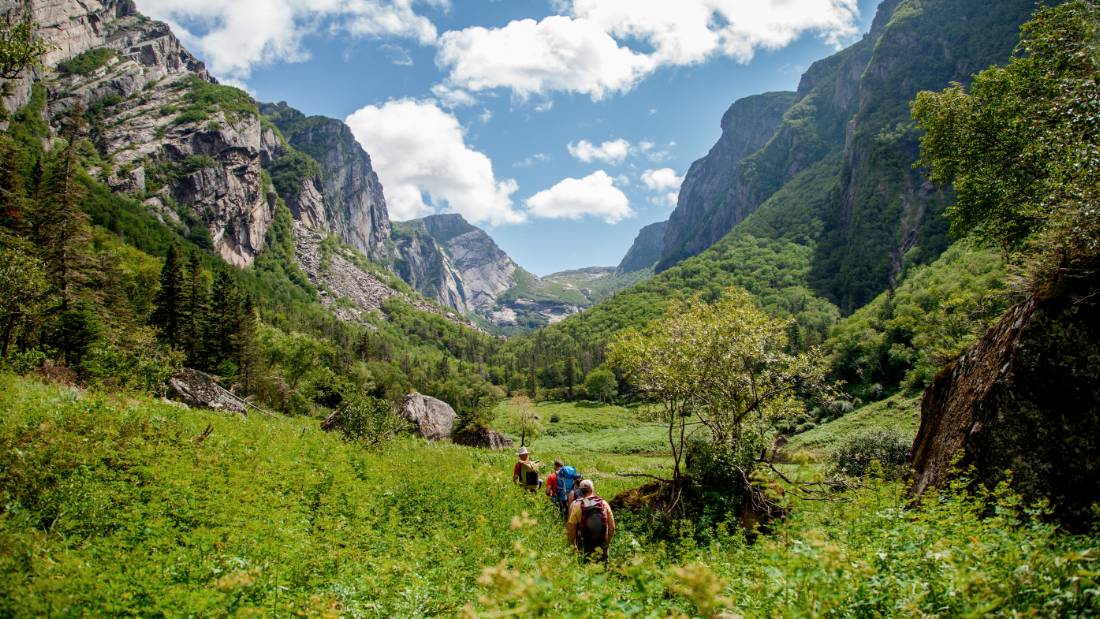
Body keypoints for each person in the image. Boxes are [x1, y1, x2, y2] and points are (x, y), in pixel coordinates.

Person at [566, 479, 615, 563]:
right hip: (602, 541)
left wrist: (573, 545)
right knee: (603, 567)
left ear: (580, 491)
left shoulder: (577, 505)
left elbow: (571, 528)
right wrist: (608, 542)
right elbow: (612, 527)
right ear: (592, 489)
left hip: (585, 542)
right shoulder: (603, 503)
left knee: (587, 566)